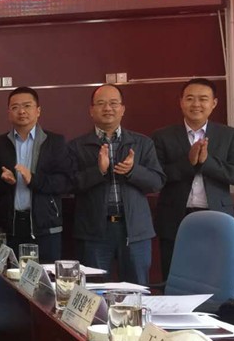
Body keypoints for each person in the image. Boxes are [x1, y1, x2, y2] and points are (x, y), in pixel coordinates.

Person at [152, 78, 234, 280]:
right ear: (181, 102)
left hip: (216, 217)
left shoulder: (228, 135)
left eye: (203, 99)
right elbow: (156, 177)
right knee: (176, 277)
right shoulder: (162, 136)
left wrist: (207, 162)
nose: (196, 104)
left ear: (214, 103)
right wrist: (189, 163)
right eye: (190, 98)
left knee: (215, 277)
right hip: (175, 217)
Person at [67, 84, 164, 284]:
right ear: (91, 110)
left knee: (137, 290)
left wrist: (132, 171)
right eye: (101, 103)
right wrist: (99, 171)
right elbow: (68, 185)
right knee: (94, 292)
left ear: (122, 109)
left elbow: (157, 182)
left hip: (134, 230)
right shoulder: (76, 146)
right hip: (94, 231)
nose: (107, 108)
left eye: (113, 103)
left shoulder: (142, 143)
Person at [0, 86, 72, 263]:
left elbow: (65, 182)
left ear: (38, 110)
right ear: (8, 113)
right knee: (12, 275)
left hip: (45, 227)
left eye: (27, 106)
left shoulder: (55, 142)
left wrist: (33, 179)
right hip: (11, 226)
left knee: (46, 277)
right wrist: (4, 181)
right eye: (15, 107)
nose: (22, 111)